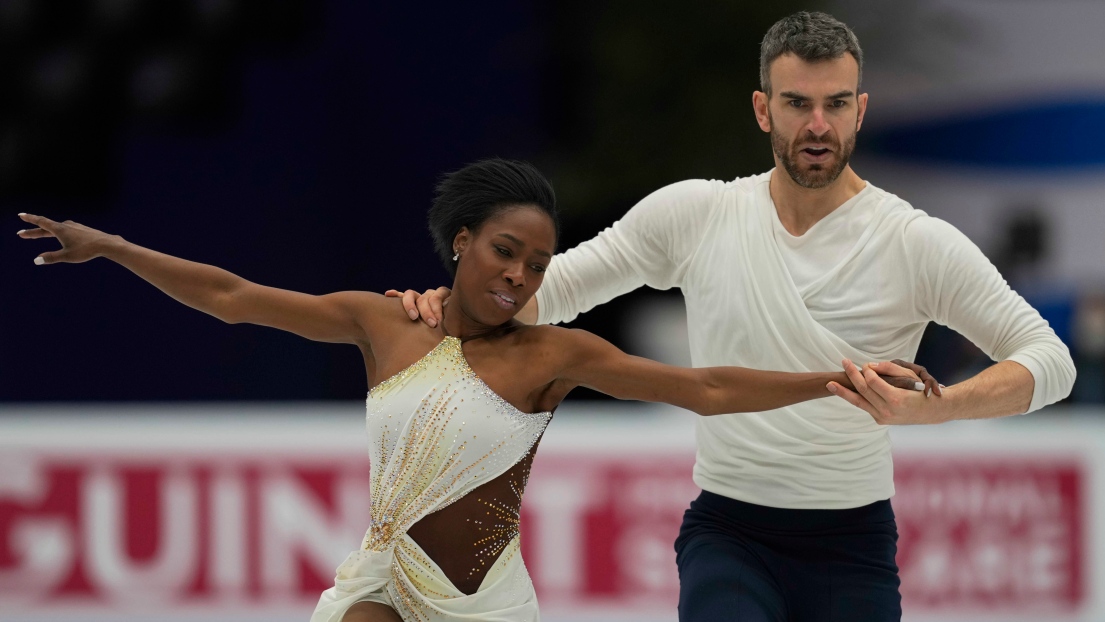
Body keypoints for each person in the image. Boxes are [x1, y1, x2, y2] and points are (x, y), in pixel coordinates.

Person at [16, 159, 932, 622]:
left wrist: (829, 378)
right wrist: (118, 249)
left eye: (536, 263)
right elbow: (231, 299)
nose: (520, 276)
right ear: (460, 241)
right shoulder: (384, 324)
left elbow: (699, 385)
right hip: (380, 575)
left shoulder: (551, 354)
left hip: (482, 602)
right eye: (503, 251)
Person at [393, 12, 1077, 622]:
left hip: (853, 542)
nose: (817, 125)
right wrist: (455, 309)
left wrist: (938, 409)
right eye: (796, 103)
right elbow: (556, 287)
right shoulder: (697, 214)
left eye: (835, 104)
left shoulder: (913, 242)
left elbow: (1049, 362)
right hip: (729, 533)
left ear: (860, 111)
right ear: (762, 109)